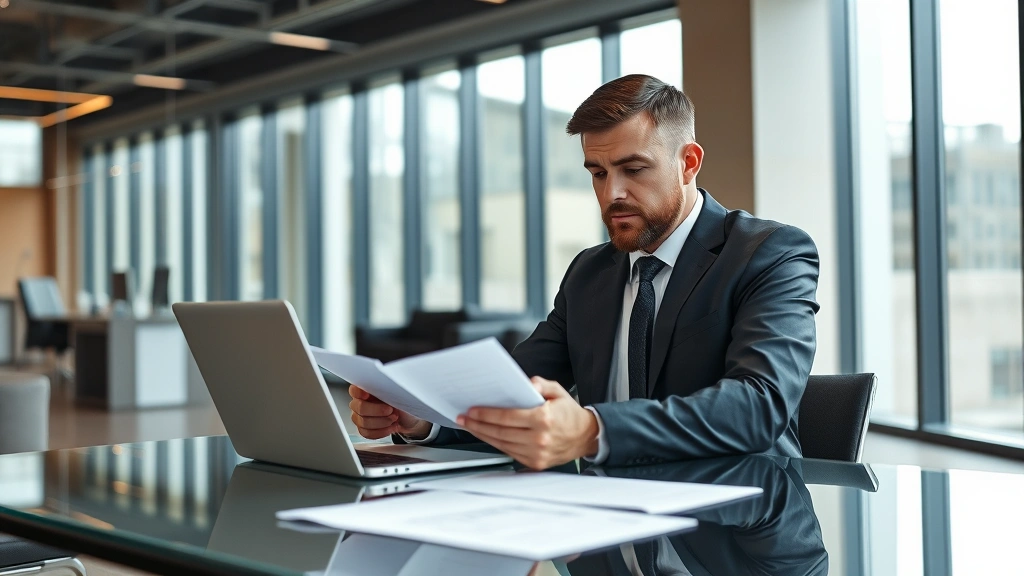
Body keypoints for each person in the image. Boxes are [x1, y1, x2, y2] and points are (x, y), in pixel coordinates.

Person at [349, 74, 820, 469]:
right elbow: (511, 389)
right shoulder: (589, 272)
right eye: (597, 172)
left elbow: (760, 405)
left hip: (745, 526)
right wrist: (422, 419)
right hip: (608, 528)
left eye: (633, 169)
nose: (612, 192)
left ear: (688, 163)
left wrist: (593, 430)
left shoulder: (770, 253)